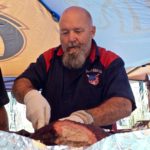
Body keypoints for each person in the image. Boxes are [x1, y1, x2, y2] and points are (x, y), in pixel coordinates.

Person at [12, 6, 136, 130]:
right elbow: (20, 83)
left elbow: (124, 105)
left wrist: (86, 118)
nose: (71, 39)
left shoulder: (109, 61)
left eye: (78, 31)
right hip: (53, 141)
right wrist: (30, 95)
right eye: (65, 32)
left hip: (97, 141)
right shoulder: (48, 58)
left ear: (92, 32)